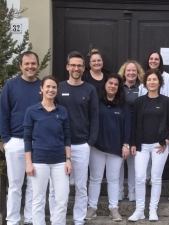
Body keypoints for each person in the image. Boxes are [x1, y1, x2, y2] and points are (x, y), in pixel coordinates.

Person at [56, 51, 99, 225]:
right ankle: (58, 219)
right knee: (58, 187)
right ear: (67, 67)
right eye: (73, 65)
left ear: (83, 68)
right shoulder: (58, 88)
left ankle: (79, 219)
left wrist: (90, 143)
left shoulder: (90, 89)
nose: (76, 68)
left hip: (82, 145)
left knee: (81, 186)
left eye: (79, 65)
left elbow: (95, 117)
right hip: (60, 145)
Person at [0, 51, 41, 225]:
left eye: (33, 63)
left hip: (38, 142)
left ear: (38, 65)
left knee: (34, 185)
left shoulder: (43, 86)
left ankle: (30, 219)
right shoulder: (10, 86)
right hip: (15, 141)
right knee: (15, 185)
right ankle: (13, 220)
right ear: (21, 66)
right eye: (27, 64)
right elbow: (3, 113)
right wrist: (6, 140)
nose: (30, 66)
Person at [128, 69, 169, 222]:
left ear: (159, 82)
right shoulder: (140, 101)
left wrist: (167, 141)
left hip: (159, 145)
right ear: (145, 82)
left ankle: (153, 210)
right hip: (141, 145)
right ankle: (140, 210)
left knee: (156, 178)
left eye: (155, 79)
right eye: (149, 80)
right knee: (140, 177)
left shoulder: (166, 101)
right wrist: (133, 143)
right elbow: (134, 123)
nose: (152, 82)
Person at [24, 76, 72, 225]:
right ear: (42, 88)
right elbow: (27, 138)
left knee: (62, 199)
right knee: (38, 199)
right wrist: (28, 163)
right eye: (48, 87)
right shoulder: (32, 111)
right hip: (39, 161)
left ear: (57, 90)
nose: (51, 90)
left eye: (54, 87)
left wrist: (68, 159)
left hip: (59, 161)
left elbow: (67, 136)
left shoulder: (62, 111)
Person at [85, 74, 131, 222]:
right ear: (105, 84)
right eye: (110, 83)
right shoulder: (96, 102)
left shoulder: (124, 105)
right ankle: (92, 208)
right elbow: (90, 122)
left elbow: (127, 127)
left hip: (116, 149)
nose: (112, 86)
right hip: (97, 147)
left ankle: (113, 208)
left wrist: (126, 144)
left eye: (116, 84)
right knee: (95, 179)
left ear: (119, 87)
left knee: (113, 179)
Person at [138, 51, 169, 202]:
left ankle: (153, 207)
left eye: (156, 59)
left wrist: (167, 137)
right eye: (151, 58)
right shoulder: (143, 79)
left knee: (157, 174)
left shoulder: (166, 77)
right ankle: (140, 206)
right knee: (140, 175)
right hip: (146, 124)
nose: (153, 61)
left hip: (161, 117)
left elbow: (168, 96)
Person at [117, 60, 144, 202]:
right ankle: (120, 190)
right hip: (119, 126)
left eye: (134, 70)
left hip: (136, 127)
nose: (131, 73)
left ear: (138, 72)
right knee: (119, 160)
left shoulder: (141, 88)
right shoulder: (119, 87)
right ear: (124, 72)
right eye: (128, 70)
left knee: (133, 162)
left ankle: (132, 191)